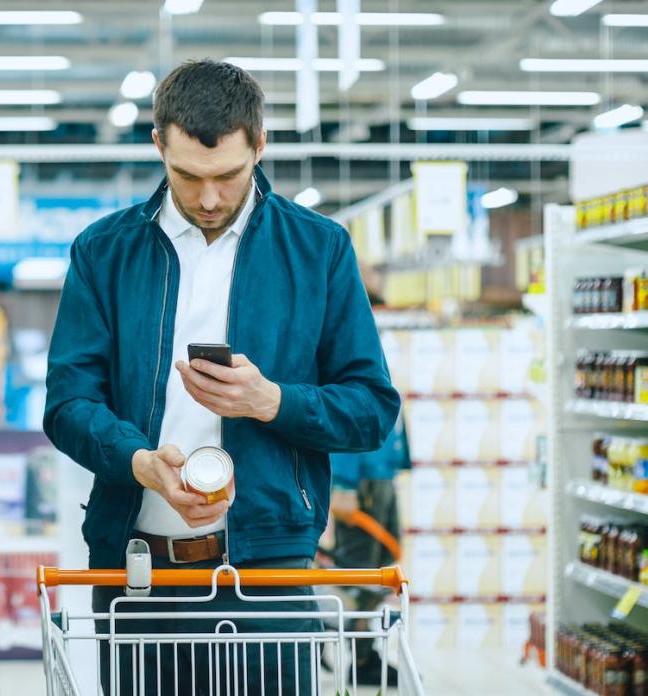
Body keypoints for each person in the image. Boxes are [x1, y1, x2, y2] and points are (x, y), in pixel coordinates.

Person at [42, 59, 401, 696]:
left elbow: (372, 408)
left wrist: (273, 401)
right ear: (158, 145)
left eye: (229, 176)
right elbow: (69, 403)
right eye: (187, 175)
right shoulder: (103, 251)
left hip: (268, 572)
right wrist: (139, 461)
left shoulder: (319, 250)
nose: (209, 199)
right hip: (136, 574)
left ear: (259, 146)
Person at [328, 412, 411, 685]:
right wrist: (342, 484)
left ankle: (361, 649)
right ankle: (360, 659)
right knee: (359, 576)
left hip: (382, 475)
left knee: (380, 570)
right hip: (361, 481)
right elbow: (348, 414)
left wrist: (400, 460)